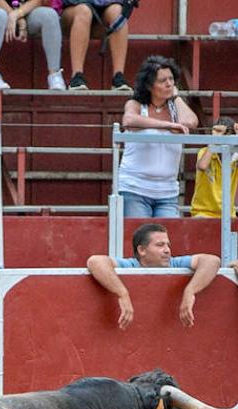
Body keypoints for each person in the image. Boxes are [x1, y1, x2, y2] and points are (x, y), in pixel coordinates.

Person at [87, 222, 220, 330]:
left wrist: (190, 290)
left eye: (168, 245)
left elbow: (212, 261)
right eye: (160, 245)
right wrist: (122, 293)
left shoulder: (175, 263)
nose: (167, 250)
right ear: (142, 250)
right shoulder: (131, 265)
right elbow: (95, 261)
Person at [118, 55, 198, 218]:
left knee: (166, 238)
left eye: (171, 79)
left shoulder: (175, 107)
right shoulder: (137, 104)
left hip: (167, 192)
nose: (169, 84)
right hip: (134, 188)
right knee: (140, 237)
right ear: (149, 85)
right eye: (162, 81)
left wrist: (176, 97)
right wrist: (167, 125)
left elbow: (191, 121)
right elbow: (129, 120)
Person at [0, 0, 66, 92]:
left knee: (50, 15)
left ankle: (54, 75)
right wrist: (16, 17)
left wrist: (18, 14)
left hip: (25, 11)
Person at [61, 0, 132, 91]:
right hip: (72, 10)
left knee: (118, 12)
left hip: (103, 11)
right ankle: (76, 75)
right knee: (84, 11)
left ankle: (118, 76)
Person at [190, 117, 238, 219]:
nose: (215, 134)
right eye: (214, 131)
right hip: (203, 212)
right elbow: (202, 166)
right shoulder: (205, 151)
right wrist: (214, 141)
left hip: (228, 213)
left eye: (220, 132)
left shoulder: (235, 157)